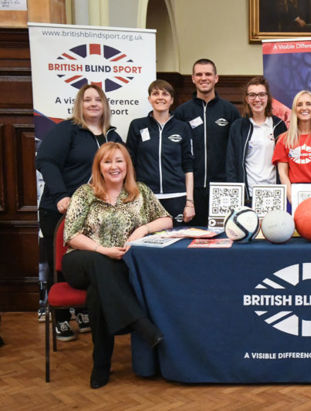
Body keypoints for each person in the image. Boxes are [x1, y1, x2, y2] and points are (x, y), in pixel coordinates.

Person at [62, 142, 172, 389]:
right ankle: (140, 323)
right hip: (81, 260)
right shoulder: (85, 193)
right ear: (99, 167)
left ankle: (100, 365)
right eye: (108, 161)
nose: (114, 167)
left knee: (98, 293)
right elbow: (70, 236)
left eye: (119, 161)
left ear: (127, 165)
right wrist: (102, 249)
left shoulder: (140, 192)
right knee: (99, 263)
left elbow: (167, 220)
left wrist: (143, 228)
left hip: (118, 267)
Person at [36, 84, 122, 341]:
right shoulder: (67, 130)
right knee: (59, 264)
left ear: (105, 105)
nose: (93, 104)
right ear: (79, 104)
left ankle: (83, 311)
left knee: (86, 262)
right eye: (87, 100)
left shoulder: (112, 136)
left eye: (98, 99)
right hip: (59, 209)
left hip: (94, 214)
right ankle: (60, 319)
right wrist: (62, 195)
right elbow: (45, 161)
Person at [175, 58, 240, 226]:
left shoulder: (230, 111)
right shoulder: (182, 112)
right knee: (191, 239)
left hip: (222, 188)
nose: (204, 78)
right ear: (193, 78)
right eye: (199, 74)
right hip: (191, 189)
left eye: (208, 74)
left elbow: (237, 151)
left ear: (216, 78)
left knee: (225, 238)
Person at [126, 80, 195, 225]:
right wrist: (132, 193)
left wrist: (189, 202)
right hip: (145, 197)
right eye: (155, 93)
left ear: (171, 100)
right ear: (149, 99)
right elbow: (129, 163)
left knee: (177, 243)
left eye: (165, 94)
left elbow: (189, 167)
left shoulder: (182, 127)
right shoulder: (137, 126)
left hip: (177, 196)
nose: (160, 97)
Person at [226, 76, 287, 202]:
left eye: (261, 94)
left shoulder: (279, 126)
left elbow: (286, 162)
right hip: (248, 194)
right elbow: (231, 163)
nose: (257, 99)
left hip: (274, 192)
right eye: (252, 95)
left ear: (267, 98)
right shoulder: (238, 127)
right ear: (247, 99)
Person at [272, 90, 311, 203]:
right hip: (292, 193)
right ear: (294, 109)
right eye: (299, 104)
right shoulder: (283, 139)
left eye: (308, 104)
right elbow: (283, 174)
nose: (304, 108)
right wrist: (292, 198)